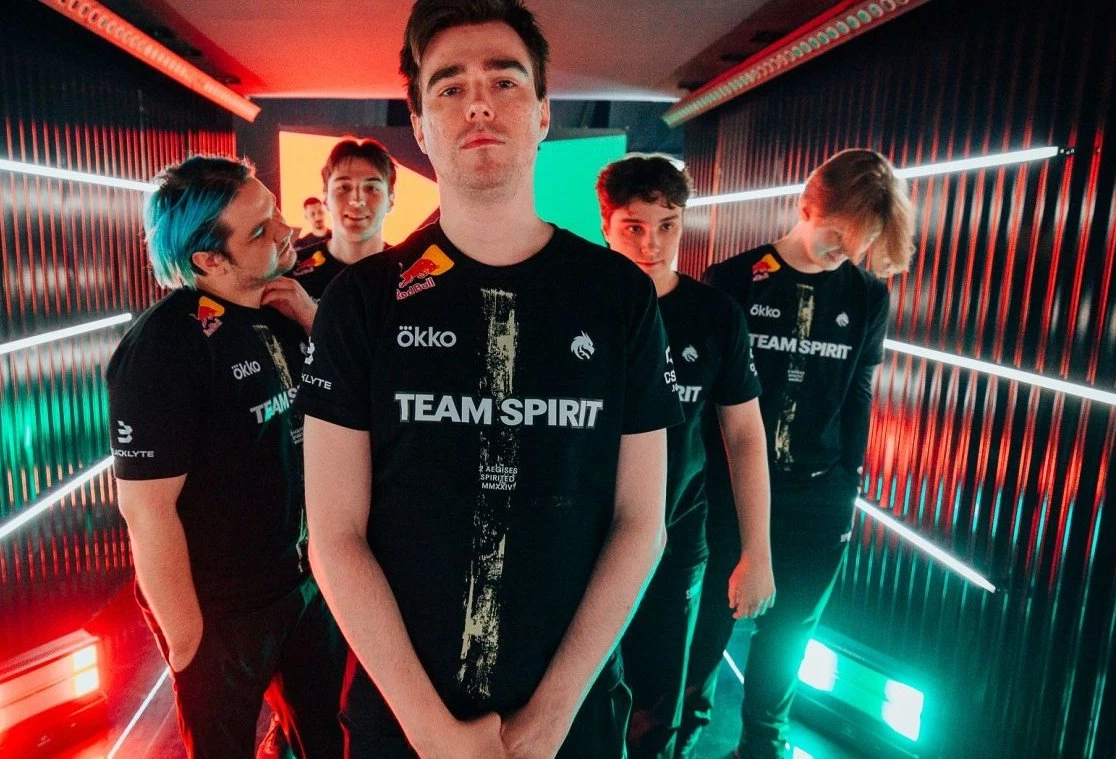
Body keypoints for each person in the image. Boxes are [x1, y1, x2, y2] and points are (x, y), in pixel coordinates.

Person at [295, 1, 683, 757]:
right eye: (450, 87)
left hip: (572, 720)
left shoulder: (618, 296)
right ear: (419, 125)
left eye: (505, 81)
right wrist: (433, 732)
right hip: (401, 719)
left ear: (543, 113)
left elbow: (642, 521)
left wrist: (550, 718)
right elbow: (335, 536)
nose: (478, 103)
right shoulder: (362, 301)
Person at [105, 156, 343, 758]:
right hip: (222, 611)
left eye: (275, 211)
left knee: (325, 739)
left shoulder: (285, 305)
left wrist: (315, 322)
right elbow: (145, 508)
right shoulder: (164, 347)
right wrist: (187, 640)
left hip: (301, 584)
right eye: (260, 230)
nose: (287, 229)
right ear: (209, 260)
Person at [684, 148, 916, 759]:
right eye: (837, 236)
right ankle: (678, 742)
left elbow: (859, 393)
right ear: (806, 207)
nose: (845, 252)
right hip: (728, 491)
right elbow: (703, 398)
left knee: (788, 640)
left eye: (860, 244)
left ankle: (763, 748)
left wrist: (849, 483)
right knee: (703, 635)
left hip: (819, 497)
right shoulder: (732, 280)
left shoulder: (867, 296)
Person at [597, 154, 775, 759]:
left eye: (667, 225)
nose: (651, 244)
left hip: (674, 542)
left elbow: (745, 435)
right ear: (607, 226)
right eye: (634, 227)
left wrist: (757, 552)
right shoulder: (577, 306)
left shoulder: (715, 315)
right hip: (584, 540)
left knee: (657, 712)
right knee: (580, 702)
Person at [291, 138, 397, 298]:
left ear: (390, 200)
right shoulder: (293, 276)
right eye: (343, 187)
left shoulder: (409, 275)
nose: (357, 200)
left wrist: (309, 312)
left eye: (371, 188)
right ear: (326, 198)